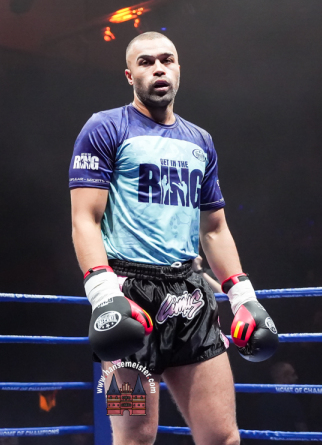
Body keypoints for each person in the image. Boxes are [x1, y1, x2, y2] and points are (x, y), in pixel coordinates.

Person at [70, 31, 278, 445]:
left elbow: (214, 228)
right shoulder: (104, 127)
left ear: (179, 69)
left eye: (166, 60)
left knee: (222, 437)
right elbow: (84, 219)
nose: (158, 68)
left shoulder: (200, 141)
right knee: (134, 437)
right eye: (146, 62)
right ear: (129, 75)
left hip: (190, 298)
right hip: (127, 295)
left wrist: (243, 297)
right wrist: (104, 295)